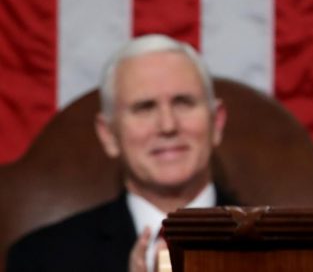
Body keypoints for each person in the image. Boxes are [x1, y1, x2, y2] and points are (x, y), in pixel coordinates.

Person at [7, 34, 233, 272]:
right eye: (144, 107)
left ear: (216, 122)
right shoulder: (41, 258)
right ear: (109, 135)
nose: (168, 125)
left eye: (183, 102)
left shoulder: (274, 247)